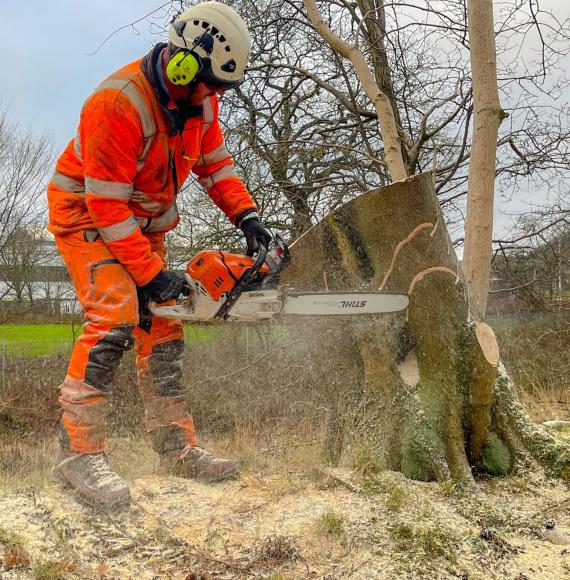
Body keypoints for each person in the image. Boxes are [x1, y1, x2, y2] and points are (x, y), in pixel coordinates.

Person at [47, 1, 271, 509]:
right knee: (114, 314)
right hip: (88, 217)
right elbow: (105, 205)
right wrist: (148, 274)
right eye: (210, 83)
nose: (214, 96)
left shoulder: (200, 103)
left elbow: (216, 165)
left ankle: (176, 447)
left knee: (166, 321)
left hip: (140, 224)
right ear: (182, 65)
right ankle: (78, 454)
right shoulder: (116, 103)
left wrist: (248, 217)